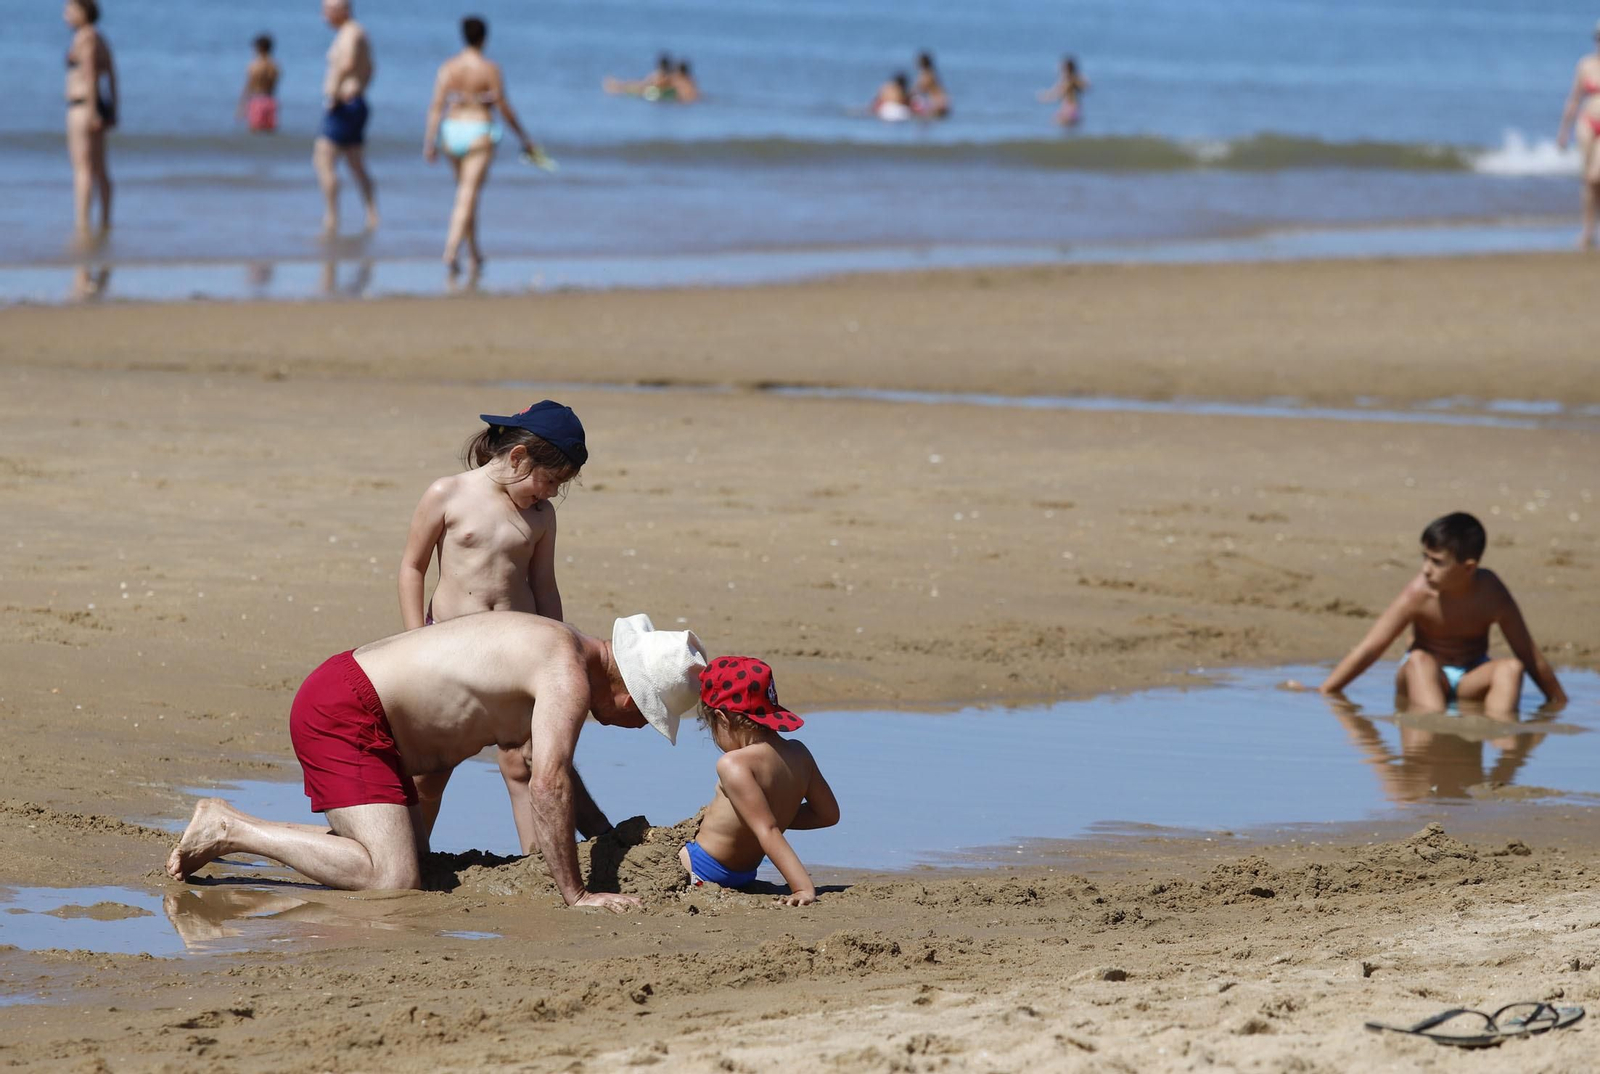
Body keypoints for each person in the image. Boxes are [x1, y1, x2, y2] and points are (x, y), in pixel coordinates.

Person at [167, 612, 708, 911]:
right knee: (392, 879)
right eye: (647, 715)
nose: (640, 726)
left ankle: (282, 840)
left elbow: (539, 764)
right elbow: (548, 783)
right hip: (346, 709)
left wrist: (605, 837)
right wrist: (577, 893)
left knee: (406, 862)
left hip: (366, 710)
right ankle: (231, 827)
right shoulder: (565, 674)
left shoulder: (561, 646)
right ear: (628, 690)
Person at [398, 400, 585, 846]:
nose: (552, 493)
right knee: (430, 770)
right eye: (550, 480)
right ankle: (415, 857)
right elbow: (412, 567)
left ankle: (536, 862)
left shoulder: (541, 517)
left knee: (523, 760)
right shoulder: (448, 493)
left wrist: (556, 653)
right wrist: (413, 640)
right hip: (449, 648)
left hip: (514, 653)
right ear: (518, 457)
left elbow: (545, 586)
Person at [1311, 512, 1566, 715]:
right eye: (1424, 558)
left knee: (1511, 668)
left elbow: (1528, 653)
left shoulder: (1492, 593)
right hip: (1423, 676)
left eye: (1437, 562)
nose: (1426, 570)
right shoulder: (1419, 593)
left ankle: (1502, 751)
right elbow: (1371, 648)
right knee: (1420, 661)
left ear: (1469, 568)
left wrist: (1558, 701)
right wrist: (1326, 690)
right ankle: (1430, 727)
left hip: (1471, 677)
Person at [680, 657, 839, 906]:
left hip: (702, 868)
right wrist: (774, 815)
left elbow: (767, 830)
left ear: (722, 719)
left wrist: (802, 888)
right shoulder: (799, 754)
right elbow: (828, 815)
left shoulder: (734, 764)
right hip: (744, 875)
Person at [423, 16, 542, 274]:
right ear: (484, 38)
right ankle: (451, 251)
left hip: (451, 131)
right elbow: (503, 106)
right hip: (478, 130)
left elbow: (436, 107)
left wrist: (430, 140)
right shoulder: (489, 69)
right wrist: (524, 137)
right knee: (467, 195)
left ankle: (474, 252)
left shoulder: (448, 68)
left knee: (466, 196)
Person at [316, 0, 377, 235]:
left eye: (326, 10)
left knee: (323, 158)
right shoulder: (355, 32)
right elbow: (370, 68)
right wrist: (361, 88)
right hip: (356, 102)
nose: (323, 16)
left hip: (344, 103)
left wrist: (333, 93)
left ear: (341, 10)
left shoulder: (351, 33)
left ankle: (332, 217)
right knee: (355, 162)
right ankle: (372, 214)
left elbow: (348, 62)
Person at [62, 0, 116, 237]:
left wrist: (93, 110)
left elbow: (91, 73)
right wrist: (113, 108)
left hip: (82, 106)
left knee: (82, 168)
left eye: (70, 9)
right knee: (99, 168)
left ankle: (82, 225)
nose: (66, 14)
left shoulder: (85, 37)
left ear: (83, 12)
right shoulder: (99, 38)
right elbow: (113, 76)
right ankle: (104, 222)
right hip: (93, 107)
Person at [1557, 21, 1600, 249]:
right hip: (1587, 122)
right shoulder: (1585, 65)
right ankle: (1588, 230)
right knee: (1588, 180)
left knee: (1597, 176)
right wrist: (1563, 131)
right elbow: (1574, 98)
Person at [239, 34, 280, 134]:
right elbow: (274, 84)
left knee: (254, 132)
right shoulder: (274, 66)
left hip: (256, 100)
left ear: (258, 48)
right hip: (270, 100)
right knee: (270, 134)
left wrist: (241, 106)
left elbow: (248, 86)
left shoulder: (254, 65)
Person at [603, 52, 676, 101]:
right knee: (635, 85)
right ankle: (617, 85)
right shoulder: (669, 75)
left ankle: (617, 86)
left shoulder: (660, 75)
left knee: (634, 86)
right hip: (653, 90)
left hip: (651, 90)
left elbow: (648, 83)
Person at [1039, 56, 1089, 127]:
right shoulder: (1071, 79)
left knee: (1059, 123)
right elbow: (1086, 87)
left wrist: (1046, 97)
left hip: (1070, 108)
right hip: (1071, 107)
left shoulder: (1071, 80)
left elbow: (1058, 92)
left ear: (1067, 68)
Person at [912, 51, 950, 119]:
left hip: (937, 103)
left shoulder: (926, 75)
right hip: (941, 102)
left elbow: (919, 88)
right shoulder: (932, 73)